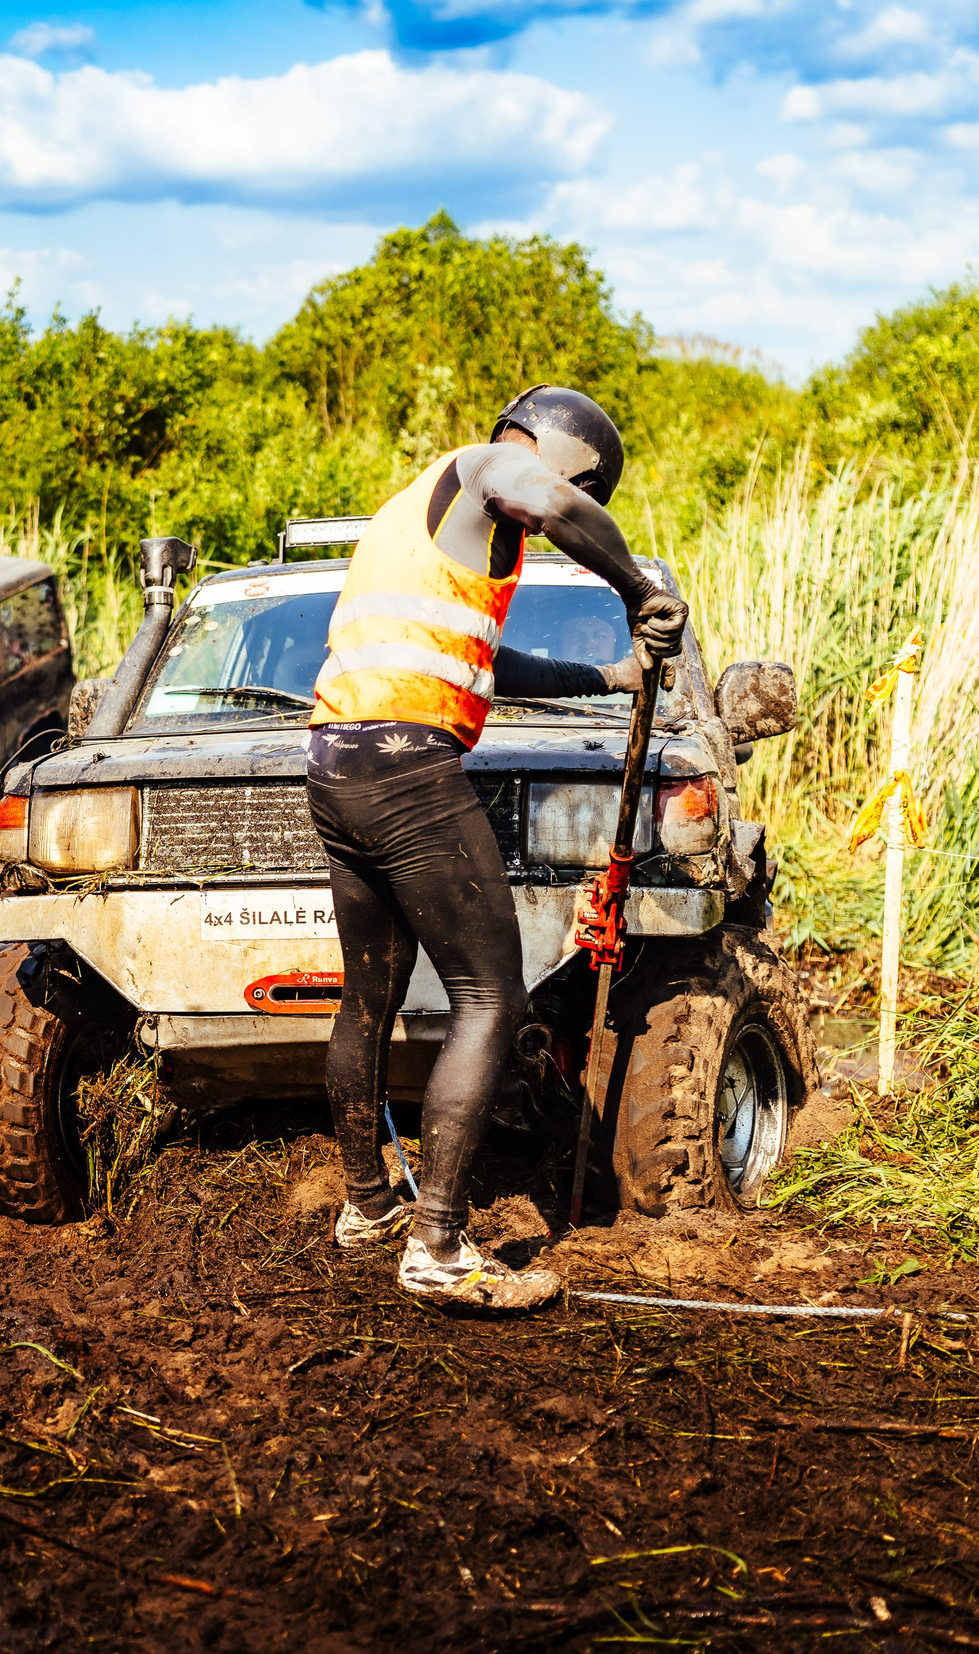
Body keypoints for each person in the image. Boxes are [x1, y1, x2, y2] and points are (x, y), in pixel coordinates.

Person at [309, 385, 687, 1312]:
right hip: (406, 764)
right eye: (589, 490)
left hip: (336, 760)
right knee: (491, 994)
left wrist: (612, 674)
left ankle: (367, 1205)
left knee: (370, 992)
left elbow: (492, 663)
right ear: (567, 461)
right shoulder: (492, 467)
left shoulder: (419, 517)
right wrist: (640, 589)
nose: (575, 506)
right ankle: (438, 1245)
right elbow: (553, 502)